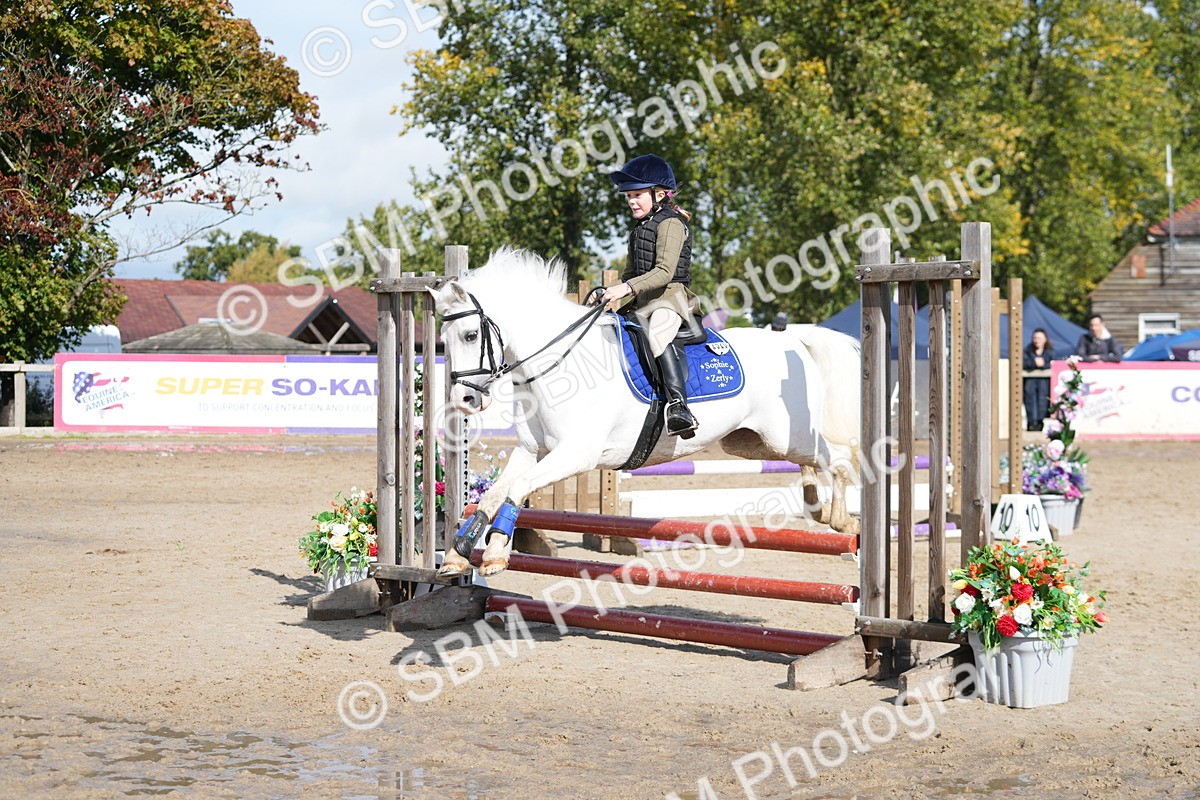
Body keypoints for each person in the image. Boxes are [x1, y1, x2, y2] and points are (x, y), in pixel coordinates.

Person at [595, 154, 699, 438]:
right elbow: (630, 274)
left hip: (672, 299)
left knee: (657, 336)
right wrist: (609, 293)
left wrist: (626, 289)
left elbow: (665, 272)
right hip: (642, 303)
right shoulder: (639, 229)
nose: (631, 201)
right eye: (628, 195)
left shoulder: (671, 224)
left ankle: (679, 407)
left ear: (661, 194)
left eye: (637, 194)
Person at [1022, 328, 1055, 431]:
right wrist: (1034, 363)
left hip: (1044, 383)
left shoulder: (1050, 352)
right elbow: (1022, 363)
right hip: (1030, 382)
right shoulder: (1027, 351)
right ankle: (1031, 424)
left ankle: (1041, 424)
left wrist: (1042, 364)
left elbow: (1053, 364)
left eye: (1039, 338)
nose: (1037, 340)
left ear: (1045, 339)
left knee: (1043, 402)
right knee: (1030, 402)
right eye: (1035, 338)